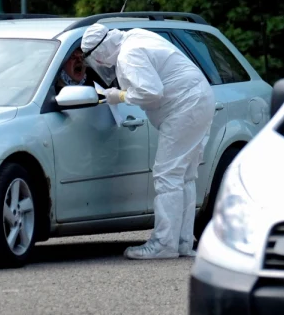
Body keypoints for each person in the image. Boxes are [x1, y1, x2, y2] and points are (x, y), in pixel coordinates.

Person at [81, 23, 215, 260]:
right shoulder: (134, 36)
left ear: (99, 52)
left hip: (185, 106)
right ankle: (182, 242)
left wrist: (119, 95)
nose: (98, 64)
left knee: (167, 175)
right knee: (183, 176)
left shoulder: (129, 55)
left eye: (93, 59)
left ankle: (164, 243)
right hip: (198, 100)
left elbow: (152, 92)